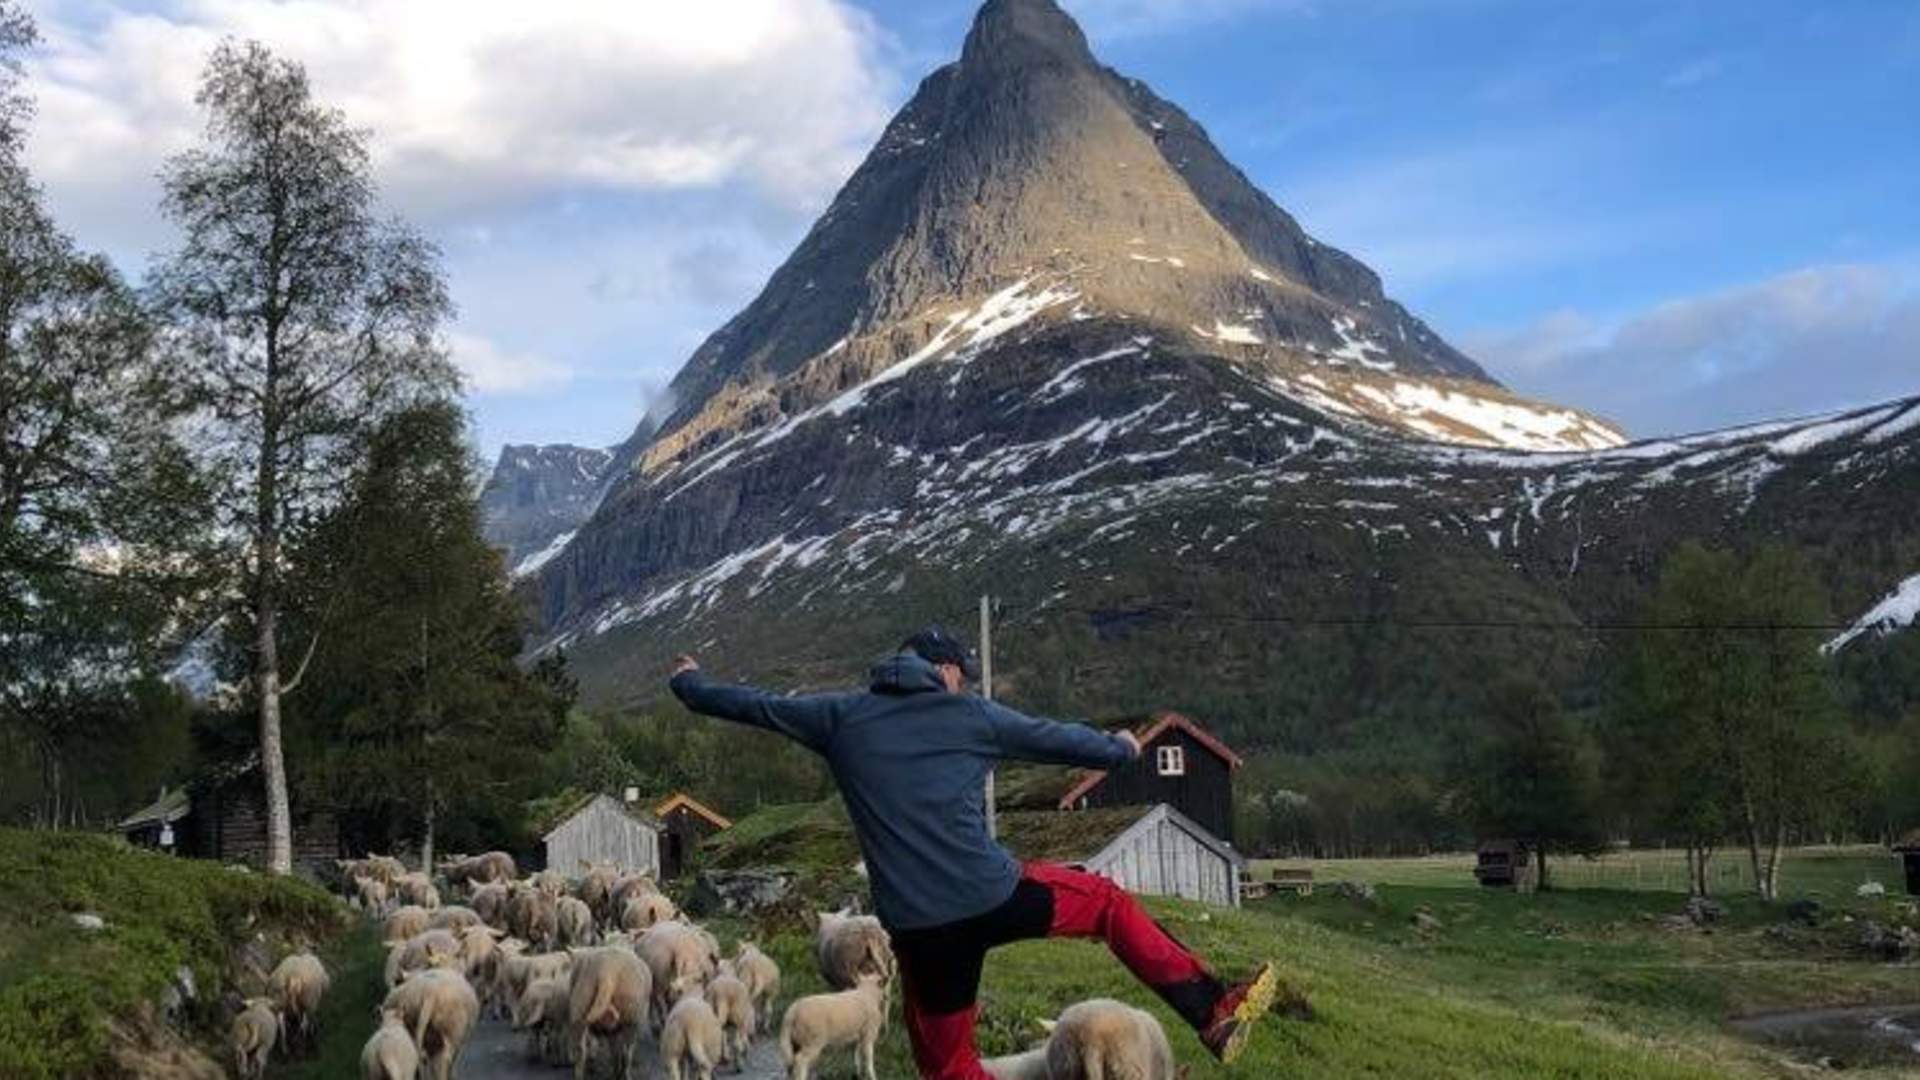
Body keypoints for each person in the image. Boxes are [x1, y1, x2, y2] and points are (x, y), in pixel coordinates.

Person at [668, 624, 1279, 1079]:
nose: (966, 680)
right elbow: (1057, 740)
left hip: (922, 931)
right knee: (1107, 906)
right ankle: (1213, 1010)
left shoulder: (838, 716)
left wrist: (689, 685)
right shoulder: (970, 714)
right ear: (947, 670)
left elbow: (753, 705)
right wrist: (1120, 748)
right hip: (995, 895)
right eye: (964, 670)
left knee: (951, 1068)